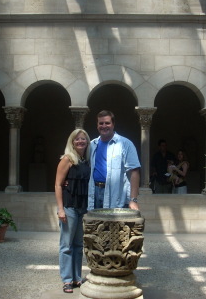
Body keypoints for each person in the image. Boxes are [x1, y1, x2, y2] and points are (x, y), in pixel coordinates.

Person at [55, 129, 91, 294]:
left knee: (78, 244)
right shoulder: (67, 159)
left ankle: (77, 277)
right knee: (66, 245)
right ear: (72, 142)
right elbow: (58, 185)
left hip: (82, 208)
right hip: (69, 207)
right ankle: (67, 280)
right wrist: (60, 209)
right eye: (77, 139)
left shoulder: (86, 160)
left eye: (83, 139)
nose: (80, 142)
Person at [87, 110, 141, 211]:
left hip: (116, 195)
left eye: (107, 123)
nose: (104, 126)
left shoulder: (126, 144)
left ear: (113, 124)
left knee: (114, 226)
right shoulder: (92, 145)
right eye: (101, 123)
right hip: (94, 193)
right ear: (97, 125)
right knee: (96, 225)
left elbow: (134, 171)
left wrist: (133, 199)